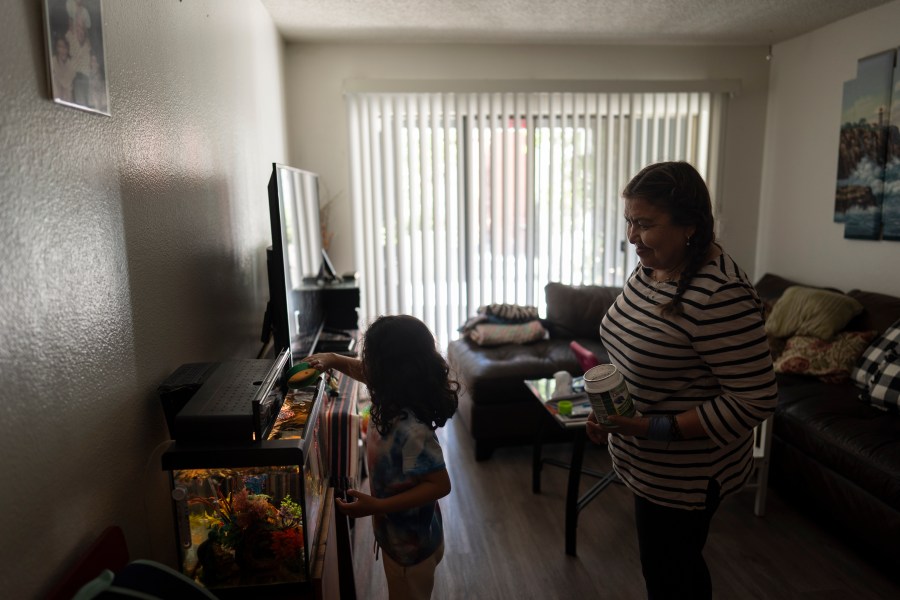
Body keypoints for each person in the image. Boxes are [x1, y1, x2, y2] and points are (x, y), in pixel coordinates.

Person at [586, 161, 778, 600]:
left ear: (689, 225)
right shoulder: (655, 266)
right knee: (663, 567)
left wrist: (653, 427)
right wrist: (610, 412)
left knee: (673, 578)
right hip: (645, 463)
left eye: (645, 224)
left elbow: (756, 398)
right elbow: (639, 343)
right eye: (629, 221)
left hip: (684, 477)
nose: (632, 236)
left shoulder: (719, 294)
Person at [304, 315, 458, 600]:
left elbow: (439, 485)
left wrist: (378, 505)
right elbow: (364, 372)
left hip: (410, 552)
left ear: (390, 371)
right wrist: (333, 358)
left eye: (372, 360)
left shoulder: (410, 429)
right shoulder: (391, 396)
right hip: (405, 538)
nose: (367, 368)